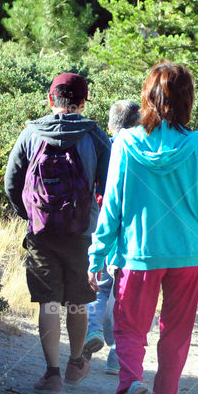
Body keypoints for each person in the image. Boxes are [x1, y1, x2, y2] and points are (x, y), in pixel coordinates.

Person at [89, 61, 198, 394]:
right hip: (187, 256)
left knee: (130, 328)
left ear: (148, 97)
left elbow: (113, 205)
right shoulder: (197, 146)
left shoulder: (126, 142)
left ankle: (132, 385)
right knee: (175, 334)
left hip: (138, 255)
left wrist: (98, 254)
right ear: (187, 99)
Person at [4, 72, 111, 394]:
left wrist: (31, 215)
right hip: (82, 233)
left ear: (51, 100)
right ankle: (76, 363)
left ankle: (51, 375)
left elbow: (12, 182)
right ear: (83, 101)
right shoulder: (95, 137)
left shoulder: (31, 134)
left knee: (48, 303)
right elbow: (109, 188)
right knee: (77, 302)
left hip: (41, 232)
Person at [83, 99, 142, 375]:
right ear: (140, 122)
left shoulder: (102, 145)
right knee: (124, 293)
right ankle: (117, 356)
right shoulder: (140, 148)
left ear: (110, 123)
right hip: (132, 231)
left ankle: (92, 330)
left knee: (101, 287)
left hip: (101, 225)